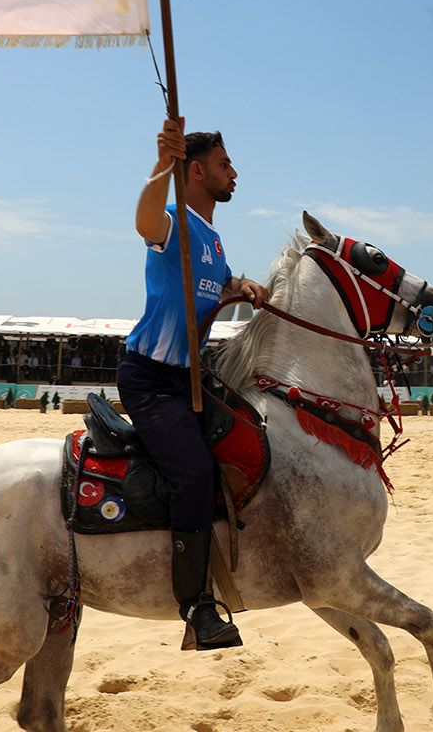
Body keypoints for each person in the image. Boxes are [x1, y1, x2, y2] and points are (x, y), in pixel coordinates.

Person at [117, 118, 269, 651]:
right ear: (198, 170)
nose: (235, 174)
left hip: (191, 378)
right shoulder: (174, 222)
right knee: (195, 471)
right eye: (226, 165)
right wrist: (162, 165)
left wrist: (240, 286)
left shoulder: (213, 237)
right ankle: (197, 607)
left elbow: (214, 283)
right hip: (151, 380)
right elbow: (143, 222)